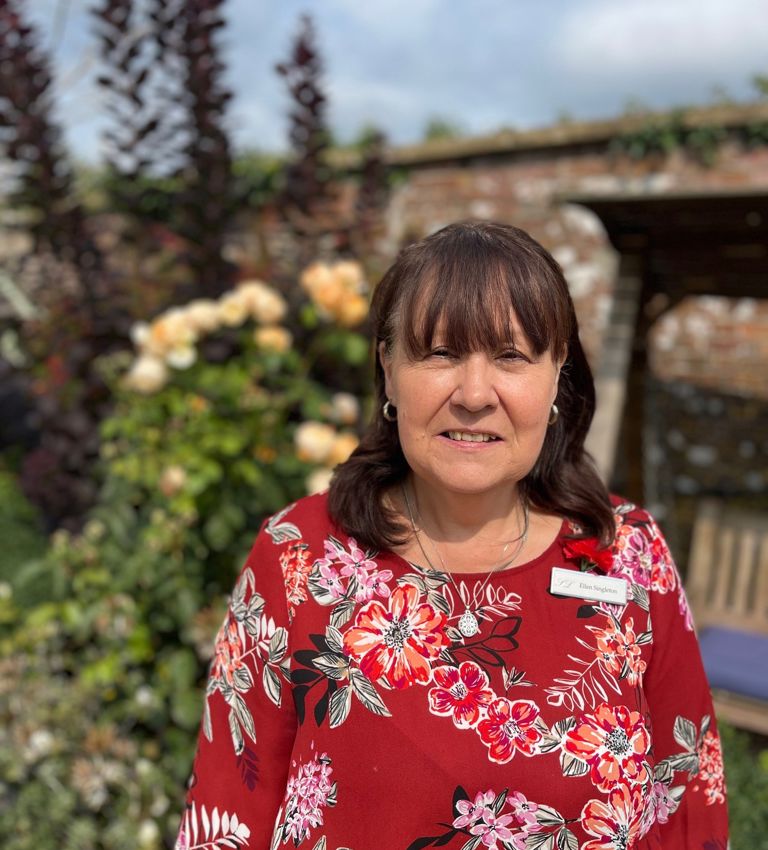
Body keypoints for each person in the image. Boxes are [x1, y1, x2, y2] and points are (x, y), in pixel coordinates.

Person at [175, 221, 728, 850]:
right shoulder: (299, 554)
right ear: (388, 367)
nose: (474, 394)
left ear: (557, 375)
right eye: (440, 353)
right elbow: (227, 815)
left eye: (511, 356)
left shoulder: (627, 554)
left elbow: (690, 808)